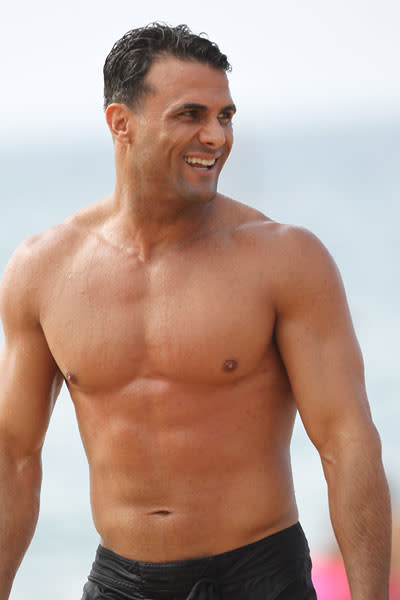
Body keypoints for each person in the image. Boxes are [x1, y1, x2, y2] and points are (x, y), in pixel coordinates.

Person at [0, 22, 391, 600]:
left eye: (225, 116)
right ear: (121, 122)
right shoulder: (43, 270)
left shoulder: (285, 258)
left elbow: (346, 442)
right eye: (190, 115)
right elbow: (13, 458)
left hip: (259, 578)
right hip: (121, 583)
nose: (216, 136)